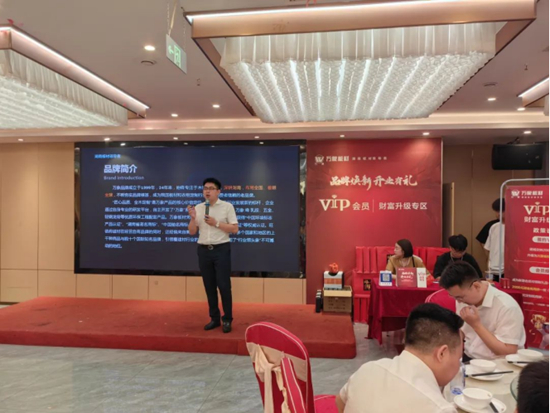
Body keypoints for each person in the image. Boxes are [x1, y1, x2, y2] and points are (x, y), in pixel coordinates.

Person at [336, 303, 463, 413]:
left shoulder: (367, 369)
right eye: (459, 357)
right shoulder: (439, 408)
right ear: (442, 354)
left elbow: (340, 401)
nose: (458, 365)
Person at [439, 261, 525, 360]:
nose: (458, 301)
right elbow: (462, 331)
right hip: (469, 357)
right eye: (454, 297)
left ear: (476, 286)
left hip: (499, 363)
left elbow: (508, 351)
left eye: (460, 297)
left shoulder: (507, 307)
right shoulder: (463, 298)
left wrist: (476, 325)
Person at [187, 178, 239, 333]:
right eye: (205, 188)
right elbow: (192, 231)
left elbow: (234, 229)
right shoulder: (199, 208)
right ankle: (214, 318)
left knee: (224, 285)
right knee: (209, 286)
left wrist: (216, 223)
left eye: (211, 188)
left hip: (221, 249)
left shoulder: (227, 207)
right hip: (203, 250)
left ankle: (227, 319)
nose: (207, 191)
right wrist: (192, 218)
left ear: (218, 191)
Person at [484, 199, 505, 280]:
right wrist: (489, 269)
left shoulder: (515, 227)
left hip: (507, 271)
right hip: (493, 270)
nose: (498, 214)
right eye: (496, 211)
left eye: (501, 211)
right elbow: (488, 249)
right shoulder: (494, 227)